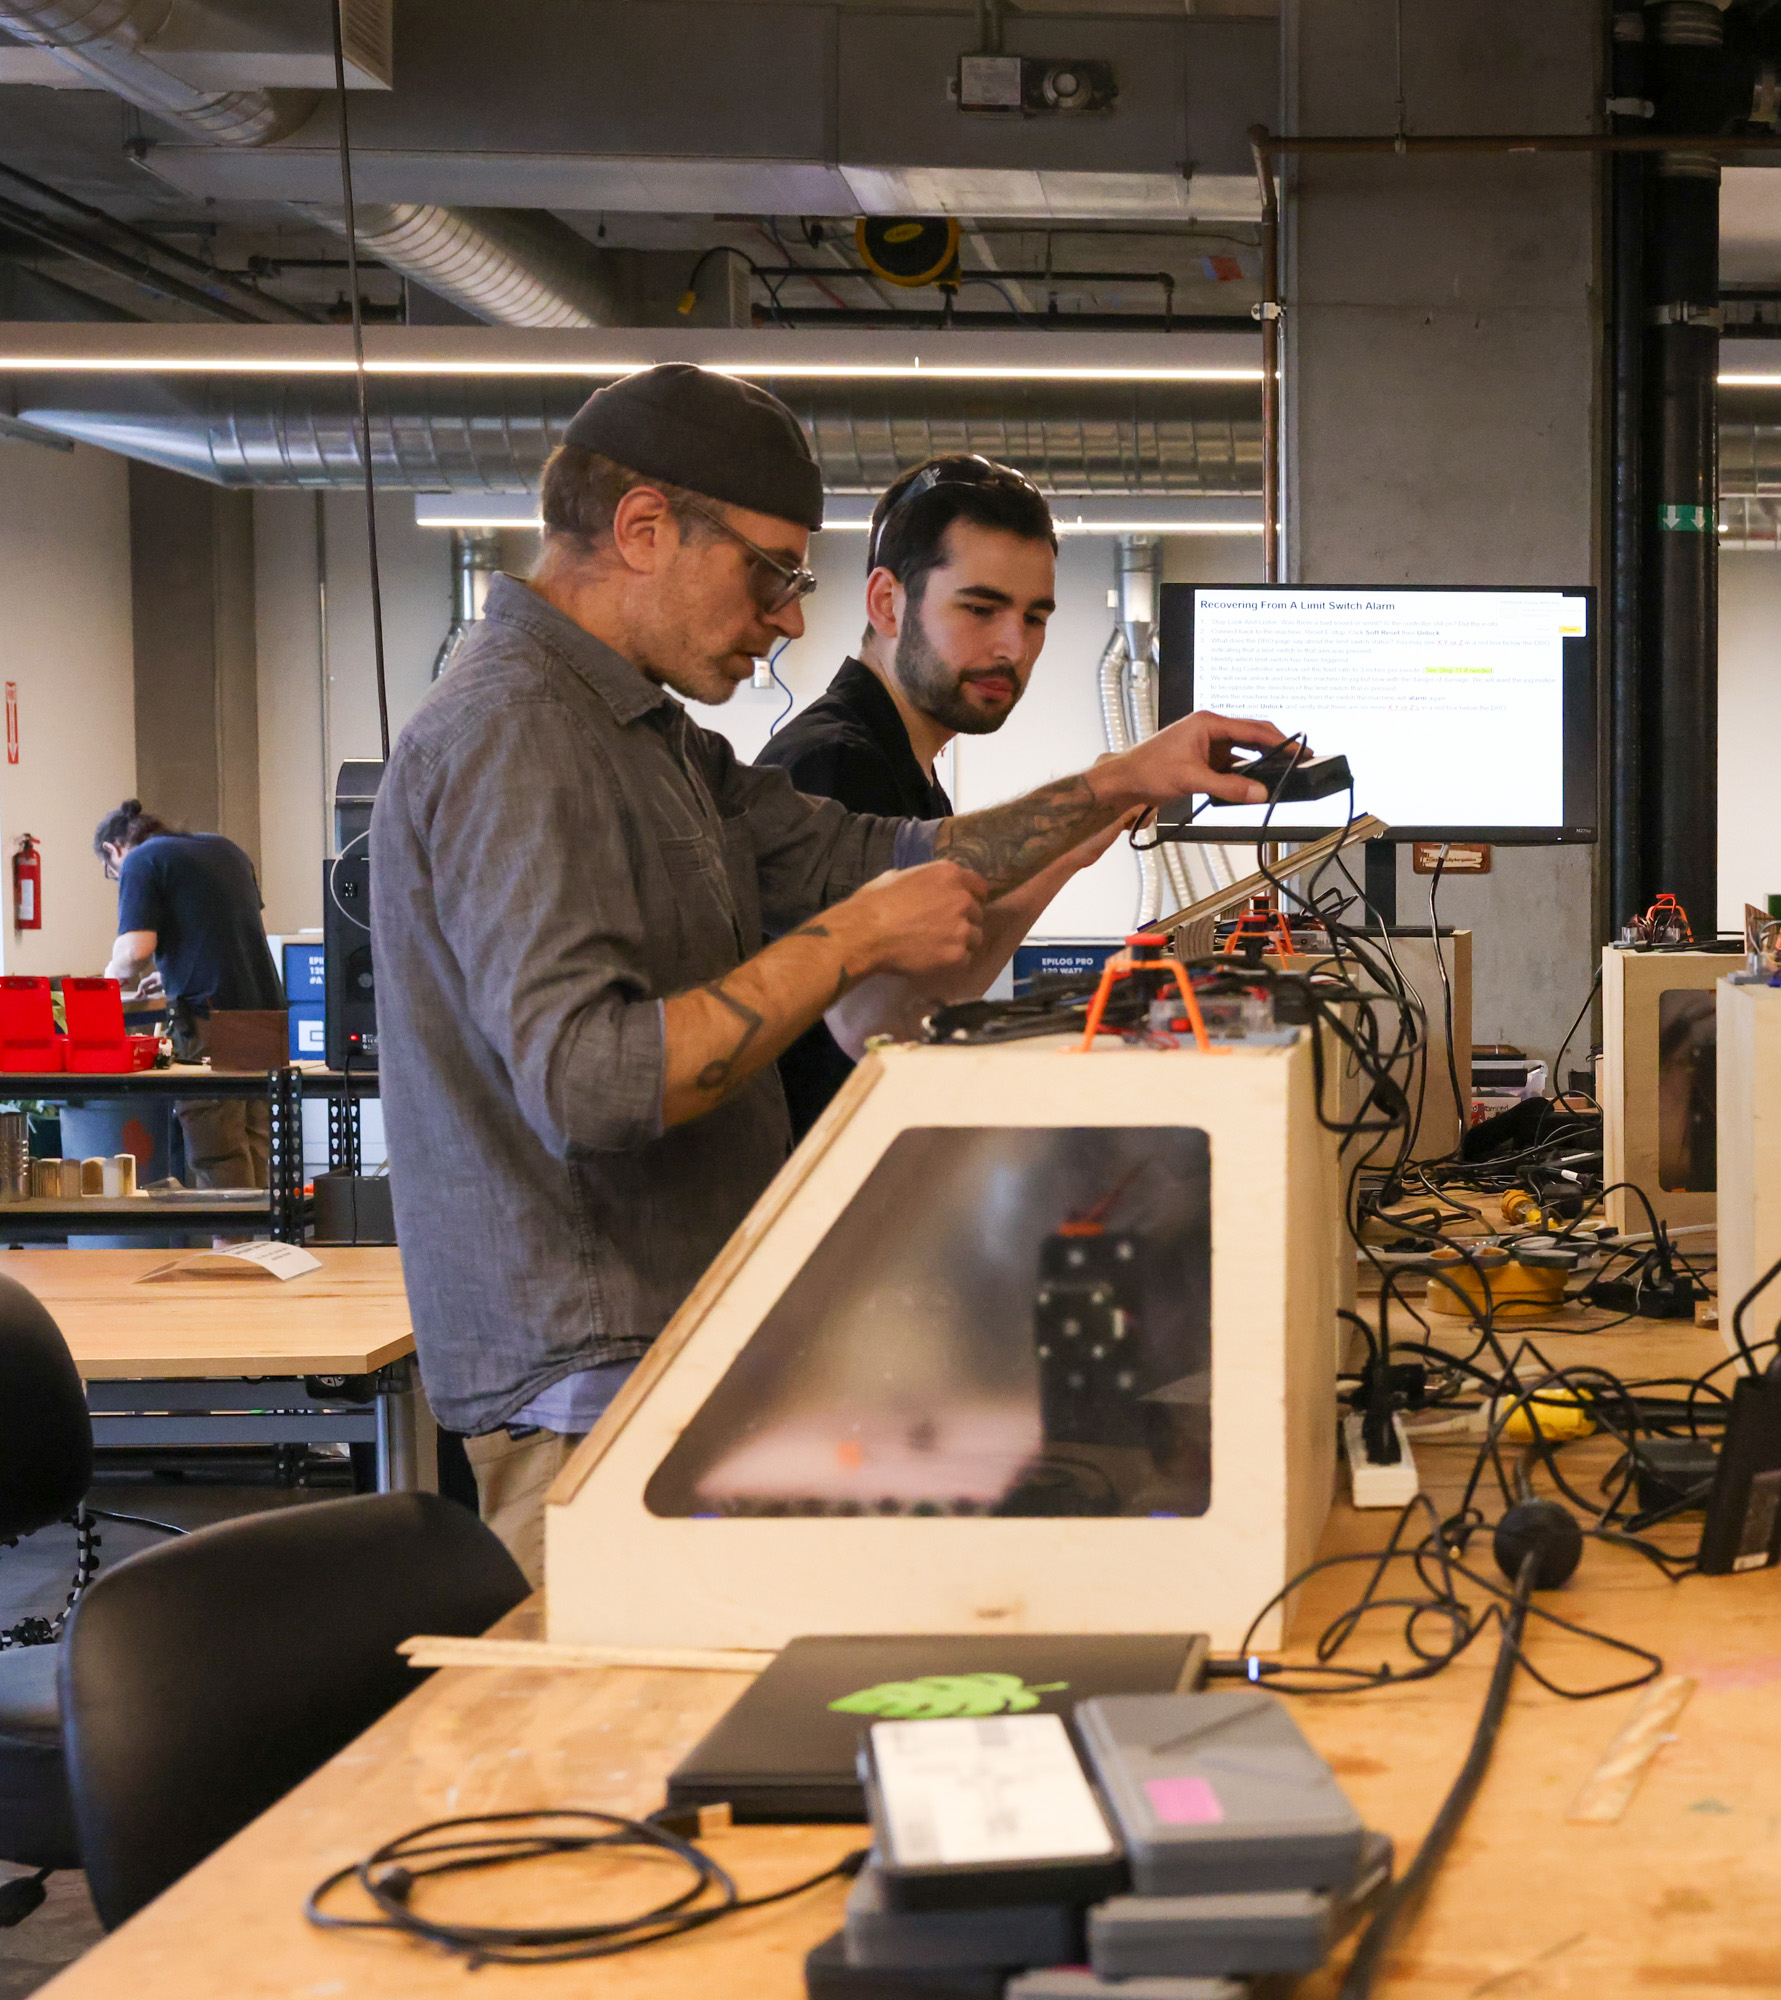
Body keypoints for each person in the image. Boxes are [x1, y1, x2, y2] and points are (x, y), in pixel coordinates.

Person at [372, 363, 1280, 1583]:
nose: (790, 617)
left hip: (670, 1370)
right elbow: (590, 1083)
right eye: (770, 571)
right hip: (590, 1410)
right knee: (615, 1763)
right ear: (643, 529)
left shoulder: (643, 736)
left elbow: (878, 852)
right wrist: (852, 941)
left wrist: (1125, 779)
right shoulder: (514, 734)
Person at [757, 454, 1100, 1138]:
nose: (1013, 646)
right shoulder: (833, 762)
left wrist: (1076, 840)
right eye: (980, 608)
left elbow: (943, 975)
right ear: (887, 602)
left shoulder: (905, 765)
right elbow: (881, 1025)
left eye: (1035, 618)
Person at [97, 800, 282, 1186]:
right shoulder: (225, 848)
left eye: (112, 873)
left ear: (113, 850)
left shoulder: (141, 860)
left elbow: (135, 952)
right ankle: (260, 1246)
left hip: (208, 1018)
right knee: (255, 1142)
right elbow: (237, 934)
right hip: (264, 1011)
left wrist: (111, 976)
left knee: (218, 1149)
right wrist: (172, 975)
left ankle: (227, 1244)